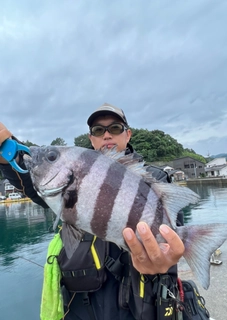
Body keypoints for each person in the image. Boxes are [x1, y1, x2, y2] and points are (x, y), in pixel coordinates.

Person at [0, 103, 185, 320]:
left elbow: (173, 231)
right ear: (91, 139)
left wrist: (165, 260)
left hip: (137, 308)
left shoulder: (154, 179)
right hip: (79, 309)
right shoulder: (70, 176)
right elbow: (34, 176)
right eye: (98, 130)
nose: (106, 135)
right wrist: (6, 147)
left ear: (128, 134)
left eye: (114, 128)